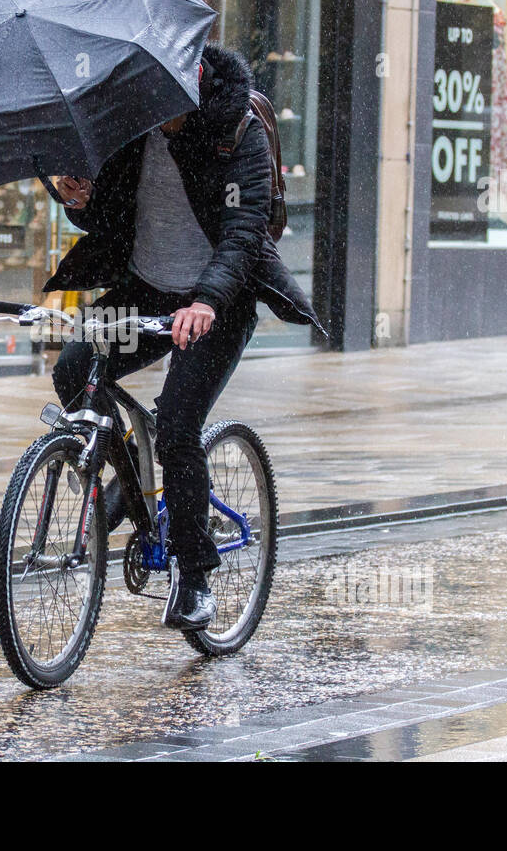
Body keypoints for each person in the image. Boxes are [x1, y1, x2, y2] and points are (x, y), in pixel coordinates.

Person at [45, 42, 322, 632]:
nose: (156, 113)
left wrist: (206, 300)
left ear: (192, 82)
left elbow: (244, 232)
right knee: (75, 366)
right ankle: (126, 479)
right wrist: (82, 197)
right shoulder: (132, 128)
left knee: (176, 422)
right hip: (145, 292)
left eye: (165, 98)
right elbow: (112, 218)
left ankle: (194, 577)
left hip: (218, 300)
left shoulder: (236, 129)